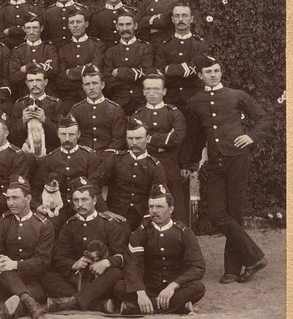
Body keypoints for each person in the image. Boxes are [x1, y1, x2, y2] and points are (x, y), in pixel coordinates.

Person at [180, 54, 270, 284]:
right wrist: (189, 163)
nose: (213, 74)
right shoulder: (195, 102)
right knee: (217, 213)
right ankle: (255, 257)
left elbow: (263, 119)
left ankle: (232, 269)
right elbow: (195, 136)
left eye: (216, 70)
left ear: (221, 72)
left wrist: (250, 136)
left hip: (238, 159)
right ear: (200, 76)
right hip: (215, 163)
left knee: (235, 214)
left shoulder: (236, 95)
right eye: (208, 72)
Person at [116, 185, 206, 315]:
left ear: (171, 209)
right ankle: (179, 307)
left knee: (198, 288)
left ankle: (135, 308)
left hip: (174, 289)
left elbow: (198, 267)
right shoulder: (141, 232)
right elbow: (132, 264)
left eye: (159, 207)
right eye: (151, 207)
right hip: (148, 288)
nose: (154, 211)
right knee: (119, 287)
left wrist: (173, 286)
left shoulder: (184, 233)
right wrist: (141, 292)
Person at [42, 179, 127, 314]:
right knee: (46, 276)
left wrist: (106, 262)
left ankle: (71, 302)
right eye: (76, 200)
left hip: (100, 279)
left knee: (116, 273)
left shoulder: (109, 224)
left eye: (84, 199)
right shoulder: (70, 225)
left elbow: (122, 255)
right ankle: (97, 305)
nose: (79, 204)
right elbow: (58, 257)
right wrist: (74, 264)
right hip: (77, 280)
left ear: (94, 200)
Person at [0, 178, 53, 319]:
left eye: (15, 198)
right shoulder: (2, 222)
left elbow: (42, 261)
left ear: (28, 198)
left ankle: (5, 312)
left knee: (36, 291)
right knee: (2, 266)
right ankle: (28, 300)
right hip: (6, 279)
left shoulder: (43, 225)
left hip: (33, 279)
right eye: (8, 198)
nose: (10, 203)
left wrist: (14, 264)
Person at [133, 71, 189, 226]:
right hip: (146, 165)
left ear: (164, 91)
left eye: (156, 89)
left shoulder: (174, 113)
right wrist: (165, 140)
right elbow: (136, 142)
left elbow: (177, 138)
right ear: (143, 92)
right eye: (148, 89)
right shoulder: (138, 115)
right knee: (146, 205)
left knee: (175, 208)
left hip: (170, 164)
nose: (152, 93)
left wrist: (149, 138)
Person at [32, 116, 103, 227]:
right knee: (50, 225)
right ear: (58, 134)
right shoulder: (48, 159)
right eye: (63, 134)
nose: (67, 139)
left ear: (78, 135)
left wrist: (104, 210)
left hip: (83, 205)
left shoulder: (90, 156)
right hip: (59, 208)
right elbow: (36, 188)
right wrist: (37, 206)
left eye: (71, 134)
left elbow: (95, 187)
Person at [100, 118, 167, 229]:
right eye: (130, 138)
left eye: (138, 138)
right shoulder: (115, 159)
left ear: (148, 138)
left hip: (144, 216)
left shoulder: (155, 166)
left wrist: (146, 220)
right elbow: (94, 183)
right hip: (116, 215)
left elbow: (160, 196)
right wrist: (105, 211)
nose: (134, 143)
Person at [155, 2, 209, 110]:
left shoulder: (200, 44)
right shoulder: (164, 45)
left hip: (194, 97)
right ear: (172, 19)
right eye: (177, 16)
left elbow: (198, 68)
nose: (180, 19)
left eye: (184, 15)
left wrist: (169, 69)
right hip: (170, 99)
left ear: (192, 19)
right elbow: (160, 72)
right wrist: (185, 69)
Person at [56, 8, 106, 113]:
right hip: (69, 97)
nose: (75, 25)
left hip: (92, 96)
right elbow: (61, 78)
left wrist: (70, 72)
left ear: (86, 24)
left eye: (78, 22)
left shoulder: (96, 44)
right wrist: (84, 69)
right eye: (71, 22)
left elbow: (95, 69)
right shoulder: (64, 48)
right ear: (68, 26)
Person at [102, 10, 153, 113]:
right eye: (121, 25)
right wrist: (133, 75)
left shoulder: (145, 48)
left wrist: (119, 72)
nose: (125, 28)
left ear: (135, 25)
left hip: (141, 100)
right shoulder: (111, 51)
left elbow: (146, 73)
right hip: (119, 101)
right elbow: (107, 80)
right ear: (117, 27)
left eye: (128, 24)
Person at [68, 66, 126, 152]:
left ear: (102, 85)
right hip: (83, 158)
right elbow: (71, 136)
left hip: (107, 158)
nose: (91, 87)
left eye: (95, 83)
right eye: (87, 84)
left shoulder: (115, 110)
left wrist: (106, 157)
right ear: (83, 87)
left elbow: (118, 140)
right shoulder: (76, 110)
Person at [9, 64, 63, 153]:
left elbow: (61, 135)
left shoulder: (55, 104)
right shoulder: (19, 105)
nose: (34, 84)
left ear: (45, 82)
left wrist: (45, 121)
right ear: (26, 83)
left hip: (49, 152)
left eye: (38, 80)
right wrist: (22, 122)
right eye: (31, 81)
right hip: (25, 152)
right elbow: (12, 137)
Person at [7, 15, 57, 101]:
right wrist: (42, 67)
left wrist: (27, 67)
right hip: (24, 95)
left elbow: (53, 70)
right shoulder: (18, 50)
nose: (31, 32)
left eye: (35, 28)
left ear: (41, 28)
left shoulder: (49, 48)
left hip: (48, 96)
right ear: (24, 29)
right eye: (28, 28)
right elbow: (14, 76)